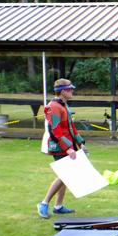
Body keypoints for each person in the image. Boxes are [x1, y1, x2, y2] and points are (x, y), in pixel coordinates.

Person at [38, 78, 85, 218]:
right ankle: (44, 203)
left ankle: (58, 206)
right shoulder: (54, 107)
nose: (73, 92)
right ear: (63, 91)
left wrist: (80, 142)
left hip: (68, 145)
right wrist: (68, 148)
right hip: (59, 146)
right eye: (70, 90)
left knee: (66, 175)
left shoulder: (64, 105)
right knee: (65, 175)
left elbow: (71, 127)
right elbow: (54, 131)